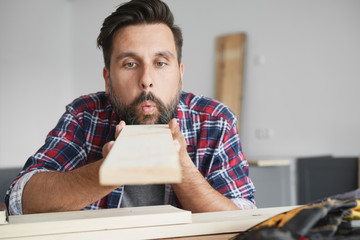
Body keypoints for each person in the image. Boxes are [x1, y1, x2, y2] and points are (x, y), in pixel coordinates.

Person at [5, 0, 256, 215]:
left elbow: (243, 217)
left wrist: (182, 169)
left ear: (180, 74)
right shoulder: (85, 116)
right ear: (107, 78)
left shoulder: (214, 119)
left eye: (160, 63)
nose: (146, 79)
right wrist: (107, 172)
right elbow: (19, 200)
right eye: (129, 64)